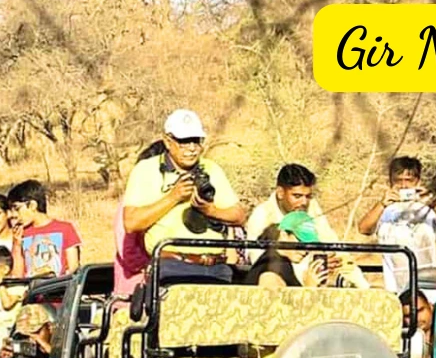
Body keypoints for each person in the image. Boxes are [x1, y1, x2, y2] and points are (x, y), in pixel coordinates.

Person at [120, 109, 246, 285]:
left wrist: (211, 210)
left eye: (196, 141)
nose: (192, 148)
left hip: (216, 267)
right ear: (167, 141)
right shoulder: (145, 170)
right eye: (184, 141)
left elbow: (239, 216)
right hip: (171, 267)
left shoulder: (212, 169)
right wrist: (173, 197)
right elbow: (131, 223)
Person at [358, 156, 436, 292]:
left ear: (418, 181)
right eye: (398, 181)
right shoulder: (385, 210)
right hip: (395, 285)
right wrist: (382, 204)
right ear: (390, 181)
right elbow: (363, 228)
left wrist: (431, 202)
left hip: (427, 286)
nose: (404, 185)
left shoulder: (428, 208)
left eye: (409, 180)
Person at [8, 180, 82, 278]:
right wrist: (16, 244)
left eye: (17, 209)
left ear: (32, 205)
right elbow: (17, 275)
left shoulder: (65, 228)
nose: (14, 214)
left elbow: (73, 267)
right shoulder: (21, 233)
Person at [244, 213, 333, 289]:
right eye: (301, 242)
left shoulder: (281, 262)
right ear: (284, 235)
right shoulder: (271, 271)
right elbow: (275, 307)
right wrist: (308, 288)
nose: (305, 251)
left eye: (309, 245)